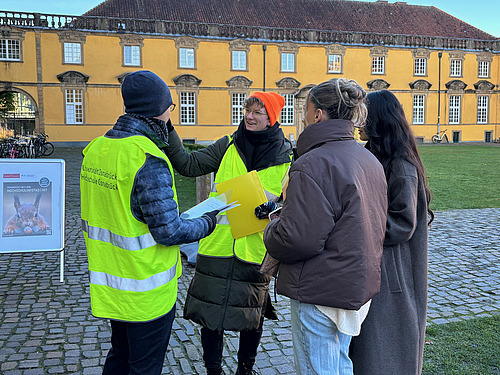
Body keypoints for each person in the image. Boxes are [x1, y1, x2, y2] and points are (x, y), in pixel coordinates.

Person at [80, 70, 218, 375]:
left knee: (119, 356)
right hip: (146, 291)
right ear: (159, 109)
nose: (173, 113)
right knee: (144, 367)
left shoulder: (97, 149)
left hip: (112, 283)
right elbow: (169, 231)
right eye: (171, 107)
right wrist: (209, 222)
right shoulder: (146, 158)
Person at [263, 78, 388, 375]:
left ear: (318, 114)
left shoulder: (312, 163)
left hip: (320, 289)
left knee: (319, 369)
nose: (304, 117)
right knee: (340, 364)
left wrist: (272, 228)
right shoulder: (368, 158)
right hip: (354, 283)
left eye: (306, 110)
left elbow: (298, 239)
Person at [162, 91, 292, 375]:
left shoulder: (288, 157)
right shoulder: (228, 144)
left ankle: (245, 370)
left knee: (251, 316)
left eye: (258, 112)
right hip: (217, 247)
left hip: (255, 251)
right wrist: (167, 126)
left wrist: (276, 205)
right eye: (247, 109)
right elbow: (189, 164)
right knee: (211, 315)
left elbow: (292, 201)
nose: (249, 115)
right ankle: (213, 370)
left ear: (272, 117)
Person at [350, 89, 434, 375]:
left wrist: (353, 224)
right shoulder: (373, 156)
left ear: (378, 120)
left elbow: (402, 223)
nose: (358, 122)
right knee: (367, 347)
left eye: (363, 116)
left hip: (394, 268)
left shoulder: (401, 166)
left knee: (387, 348)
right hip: (376, 265)